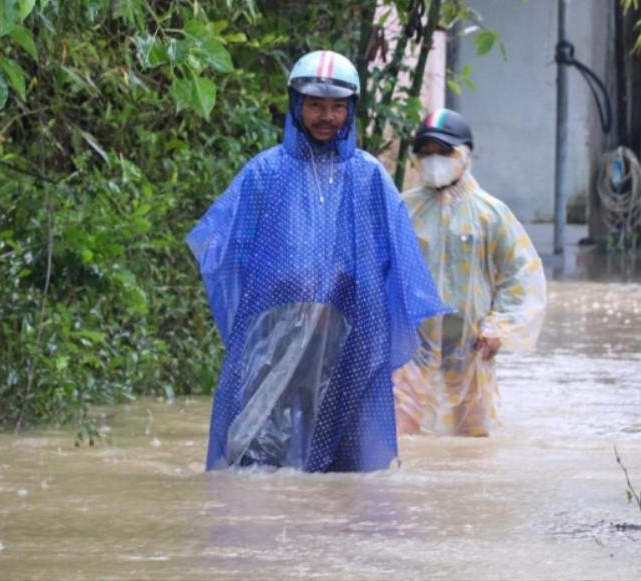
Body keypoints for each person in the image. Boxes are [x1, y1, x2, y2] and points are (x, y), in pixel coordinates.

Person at [187, 50, 450, 472]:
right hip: (274, 337)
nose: (326, 116)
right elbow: (229, 254)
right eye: (315, 105)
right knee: (259, 458)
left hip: (351, 341)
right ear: (296, 105)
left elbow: (397, 263)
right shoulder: (264, 173)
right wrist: (261, 318)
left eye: (337, 107)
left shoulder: (369, 177)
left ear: (351, 110)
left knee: (347, 468)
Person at [393, 108, 547, 437]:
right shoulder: (401, 210)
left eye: (444, 152)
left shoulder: (491, 214)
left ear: (465, 154)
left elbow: (519, 275)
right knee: (402, 437)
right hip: (410, 347)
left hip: (471, 349)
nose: (435, 160)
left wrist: (499, 326)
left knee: (471, 445)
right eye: (426, 152)